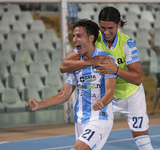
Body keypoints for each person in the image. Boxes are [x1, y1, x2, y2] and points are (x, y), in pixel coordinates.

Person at [60, 6, 154, 150]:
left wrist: (115, 70)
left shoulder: (127, 43)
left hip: (130, 95)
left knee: (142, 140)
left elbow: (137, 78)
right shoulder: (93, 38)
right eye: (102, 27)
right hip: (106, 95)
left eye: (110, 28)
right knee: (89, 140)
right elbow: (64, 65)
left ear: (118, 25)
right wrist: (91, 61)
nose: (106, 32)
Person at [27, 19, 117, 150]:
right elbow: (64, 94)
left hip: (99, 118)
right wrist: (40, 104)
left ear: (91, 38)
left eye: (79, 36)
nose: (74, 39)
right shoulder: (75, 64)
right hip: (80, 120)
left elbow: (110, 91)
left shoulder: (106, 60)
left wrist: (102, 102)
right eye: (74, 36)